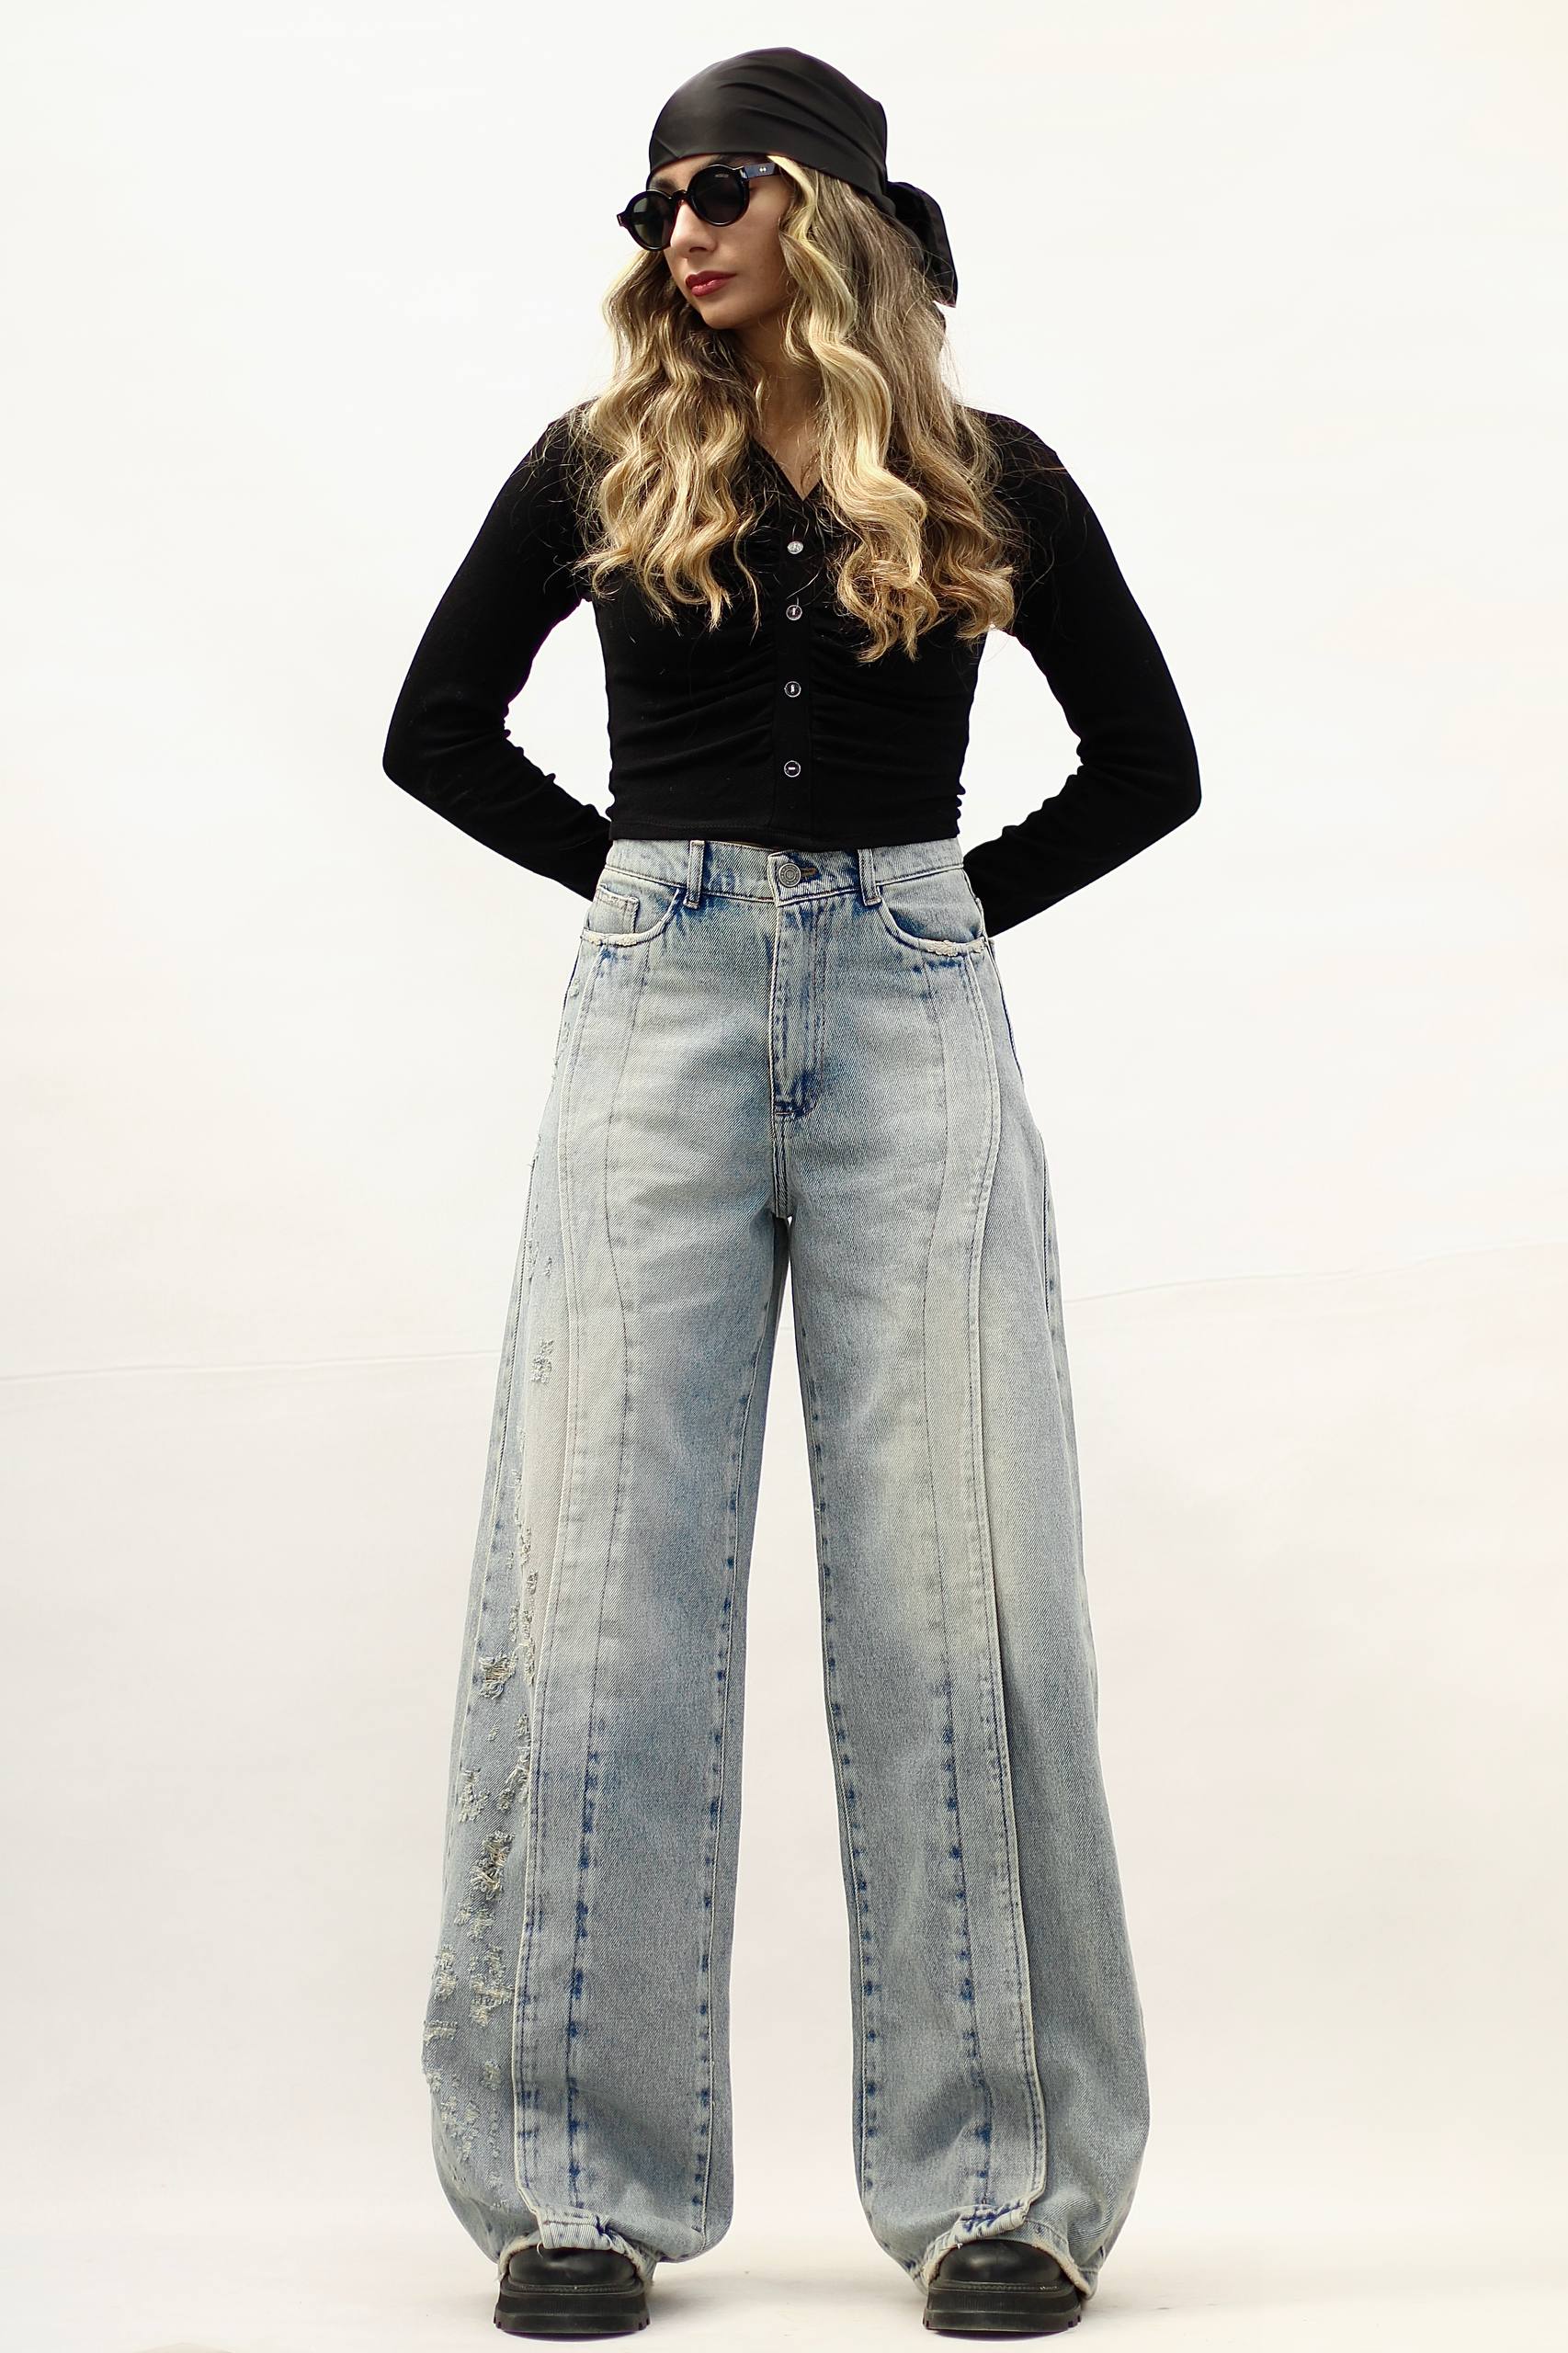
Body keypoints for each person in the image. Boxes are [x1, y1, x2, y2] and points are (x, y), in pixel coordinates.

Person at [382, 45, 1199, 2343]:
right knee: (596, 1582)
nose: (678, 231)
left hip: (913, 1020)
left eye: (717, 187)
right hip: (655, 1013)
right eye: (650, 202)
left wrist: (933, 919)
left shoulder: (983, 471)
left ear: (827, 208)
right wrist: (646, 894)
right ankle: (568, 2186)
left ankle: (1004, 2186)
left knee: (966, 1587)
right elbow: (432, 729)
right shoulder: (598, 461)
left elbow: (1149, 764)